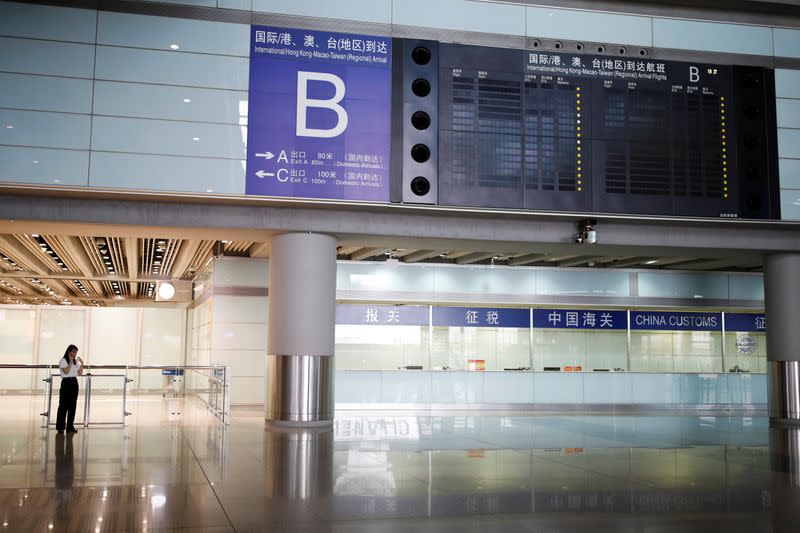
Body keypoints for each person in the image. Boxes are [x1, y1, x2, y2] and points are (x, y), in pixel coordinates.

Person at [55, 344, 83, 435]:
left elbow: (79, 373)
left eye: (76, 352)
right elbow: (66, 371)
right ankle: (60, 427)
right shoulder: (63, 360)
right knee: (63, 405)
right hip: (66, 383)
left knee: (72, 405)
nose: (75, 354)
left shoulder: (75, 362)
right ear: (69, 351)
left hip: (74, 383)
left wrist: (82, 364)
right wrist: (70, 362)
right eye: (73, 352)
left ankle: (70, 426)